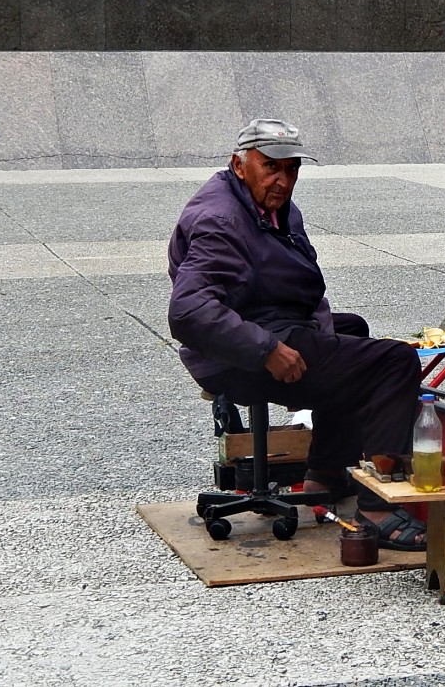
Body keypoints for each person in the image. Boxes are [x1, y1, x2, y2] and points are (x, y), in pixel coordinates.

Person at [168, 118, 427, 550]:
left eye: (291, 169)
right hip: (236, 355)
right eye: (271, 167)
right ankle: (378, 510)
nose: (283, 180)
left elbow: (299, 286)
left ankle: (323, 473)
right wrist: (267, 349)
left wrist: (319, 336)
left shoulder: (271, 206)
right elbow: (188, 311)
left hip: (274, 325)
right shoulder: (221, 220)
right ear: (239, 164)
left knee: (354, 332)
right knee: (394, 362)